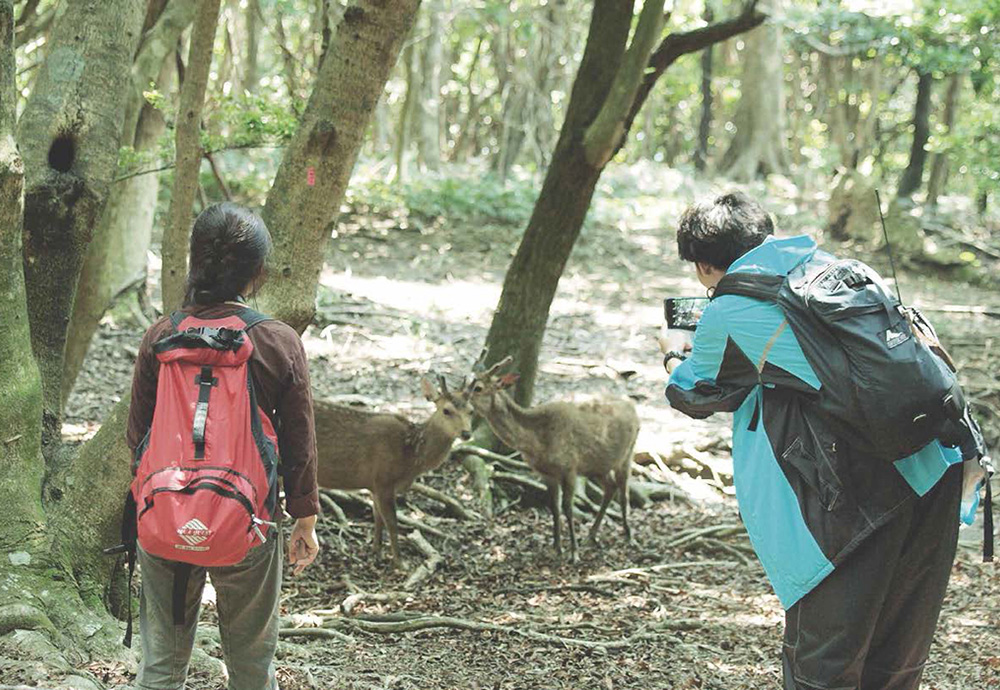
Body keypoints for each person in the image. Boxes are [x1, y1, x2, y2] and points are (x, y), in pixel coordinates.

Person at [660, 192, 975, 690]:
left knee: (824, 670)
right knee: (894, 664)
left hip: (857, 503)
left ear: (703, 266)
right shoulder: (833, 267)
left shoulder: (730, 307)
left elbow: (696, 392)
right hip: (934, 469)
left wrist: (673, 353)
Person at [126, 202, 320, 690]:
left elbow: (138, 436)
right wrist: (305, 519)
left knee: (160, 666)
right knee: (253, 667)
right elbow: (300, 444)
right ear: (256, 272)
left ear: (196, 259)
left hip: (165, 518)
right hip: (247, 524)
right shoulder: (277, 341)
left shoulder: (162, 337)